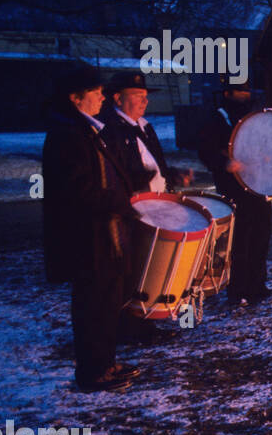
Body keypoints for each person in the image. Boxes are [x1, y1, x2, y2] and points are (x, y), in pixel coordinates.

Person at [42, 66, 141, 392]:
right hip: (89, 240)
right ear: (75, 98)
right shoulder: (67, 135)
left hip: (104, 236)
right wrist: (121, 201)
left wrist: (129, 193)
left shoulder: (86, 131)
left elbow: (109, 178)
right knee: (92, 306)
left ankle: (105, 363)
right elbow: (77, 190)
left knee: (107, 303)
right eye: (95, 92)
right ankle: (93, 371)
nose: (102, 96)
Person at [197, 79, 272, 306]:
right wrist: (224, 162)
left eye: (246, 91)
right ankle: (237, 289)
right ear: (228, 93)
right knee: (240, 239)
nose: (245, 95)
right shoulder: (216, 118)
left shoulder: (252, 117)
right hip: (231, 186)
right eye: (240, 92)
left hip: (258, 184)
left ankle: (257, 286)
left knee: (261, 234)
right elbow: (205, 150)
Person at [99, 72, 193, 194]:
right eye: (138, 96)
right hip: (135, 207)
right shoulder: (109, 131)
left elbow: (156, 166)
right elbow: (113, 179)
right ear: (118, 98)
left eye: (146, 96)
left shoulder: (144, 126)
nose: (145, 101)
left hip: (157, 201)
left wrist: (173, 176)